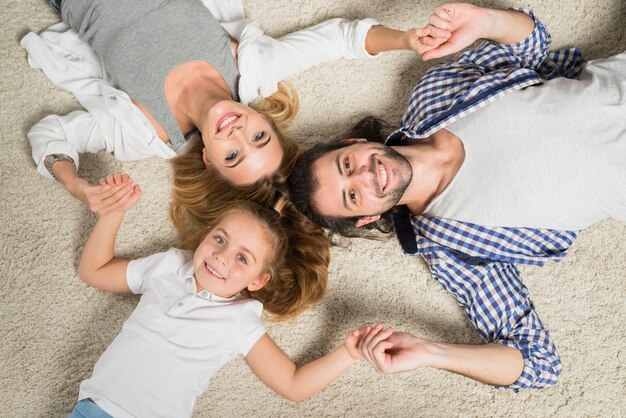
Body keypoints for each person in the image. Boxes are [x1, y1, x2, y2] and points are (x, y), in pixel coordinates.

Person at [288, 3, 625, 390]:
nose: (366, 176)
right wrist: (432, 352)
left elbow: (531, 42)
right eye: (352, 196)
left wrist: (485, 21)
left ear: (354, 143)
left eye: (347, 165)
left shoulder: (431, 96)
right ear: (365, 218)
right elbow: (538, 363)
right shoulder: (451, 249)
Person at [22, 0, 446, 217]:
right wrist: (405, 40)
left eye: (232, 154)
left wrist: (77, 185)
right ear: (266, 120)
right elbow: (341, 40)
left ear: (208, 159)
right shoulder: (254, 69)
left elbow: (50, 136)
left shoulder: (141, 131)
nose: (237, 131)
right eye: (258, 136)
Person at [69, 173, 384, 418]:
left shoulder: (239, 319)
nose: (221, 257)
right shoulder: (168, 265)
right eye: (220, 239)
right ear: (205, 235)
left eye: (242, 258)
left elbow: (292, 384)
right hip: (94, 407)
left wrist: (349, 353)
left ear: (258, 281)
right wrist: (112, 214)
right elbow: (94, 271)